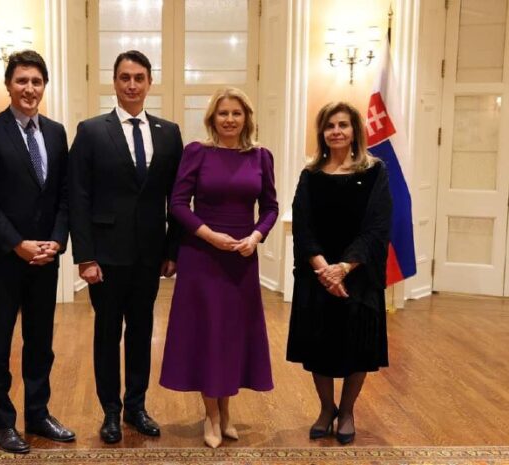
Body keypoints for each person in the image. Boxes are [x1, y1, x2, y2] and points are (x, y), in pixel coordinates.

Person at [68, 50, 183, 444]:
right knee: (107, 335)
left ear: (150, 82)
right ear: (114, 82)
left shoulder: (169, 133)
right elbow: (78, 196)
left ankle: (136, 406)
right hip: (105, 256)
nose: (131, 85)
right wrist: (84, 257)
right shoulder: (91, 131)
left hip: (149, 256)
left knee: (141, 331)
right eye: (124, 78)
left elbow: (177, 198)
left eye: (138, 78)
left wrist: (172, 250)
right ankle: (110, 413)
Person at [0, 50, 75, 454]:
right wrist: (17, 243)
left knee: (40, 343)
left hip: (45, 258)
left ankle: (38, 414)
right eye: (22, 81)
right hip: (3, 258)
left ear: (44, 86)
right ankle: (4, 424)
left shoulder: (56, 133)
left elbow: (64, 196)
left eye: (36, 81)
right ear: (9, 85)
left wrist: (57, 241)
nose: (29, 89)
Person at [159, 87, 278, 448]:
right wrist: (209, 236)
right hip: (202, 255)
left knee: (231, 334)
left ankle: (226, 411)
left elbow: (270, 207)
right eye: (223, 113)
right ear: (212, 117)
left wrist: (256, 236)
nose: (229, 119)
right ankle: (211, 415)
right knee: (207, 332)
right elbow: (178, 204)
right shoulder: (197, 152)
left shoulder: (261, 156)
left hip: (241, 258)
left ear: (246, 118)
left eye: (236, 113)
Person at [286, 101, 392, 445]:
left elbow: (377, 226)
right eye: (329, 126)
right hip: (317, 274)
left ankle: (346, 411)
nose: (336, 131)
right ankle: (326, 409)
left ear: (354, 130)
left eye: (342, 125)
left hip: (358, 275)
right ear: (322, 132)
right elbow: (302, 226)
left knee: (357, 346)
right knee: (319, 345)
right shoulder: (311, 175)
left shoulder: (375, 171)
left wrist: (344, 268)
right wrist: (324, 269)